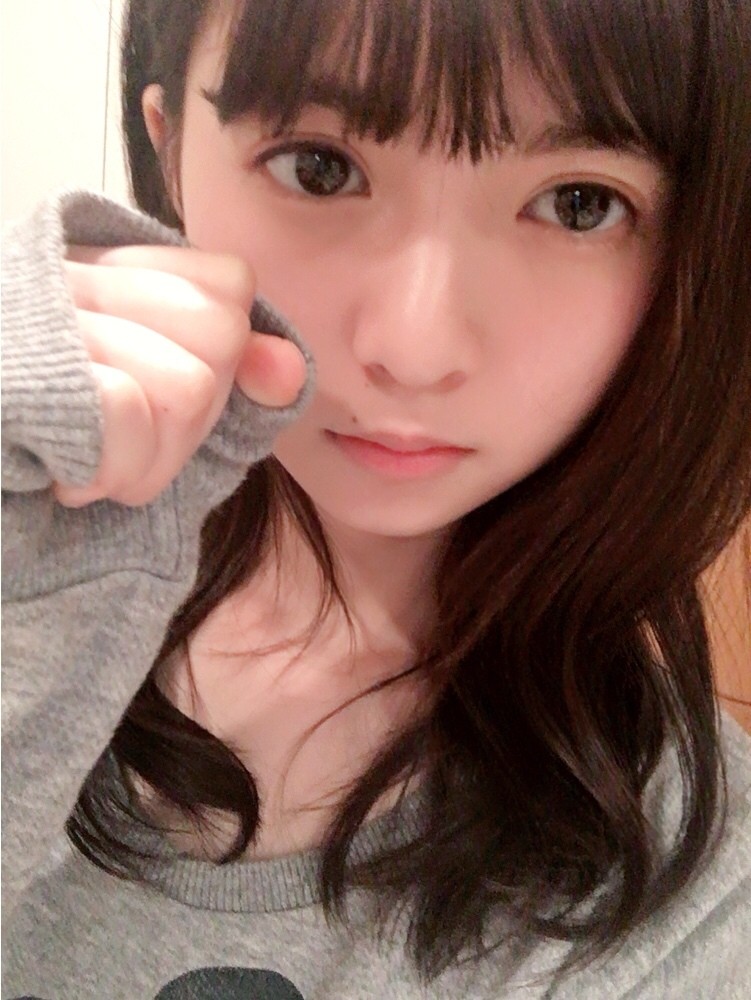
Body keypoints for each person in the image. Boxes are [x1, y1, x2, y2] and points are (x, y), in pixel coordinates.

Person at [2, 0, 750, 996]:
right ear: (170, 150)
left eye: (577, 203)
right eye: (320, 167)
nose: (414, 347)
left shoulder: (697, 896)